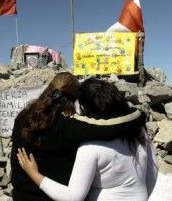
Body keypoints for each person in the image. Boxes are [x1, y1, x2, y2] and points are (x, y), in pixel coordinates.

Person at [17, 78, 158, 201]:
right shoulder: (139, 132)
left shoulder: (90, 147)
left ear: (85, 108)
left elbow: (73, 197)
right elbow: (153, 171)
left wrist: (34, 175)